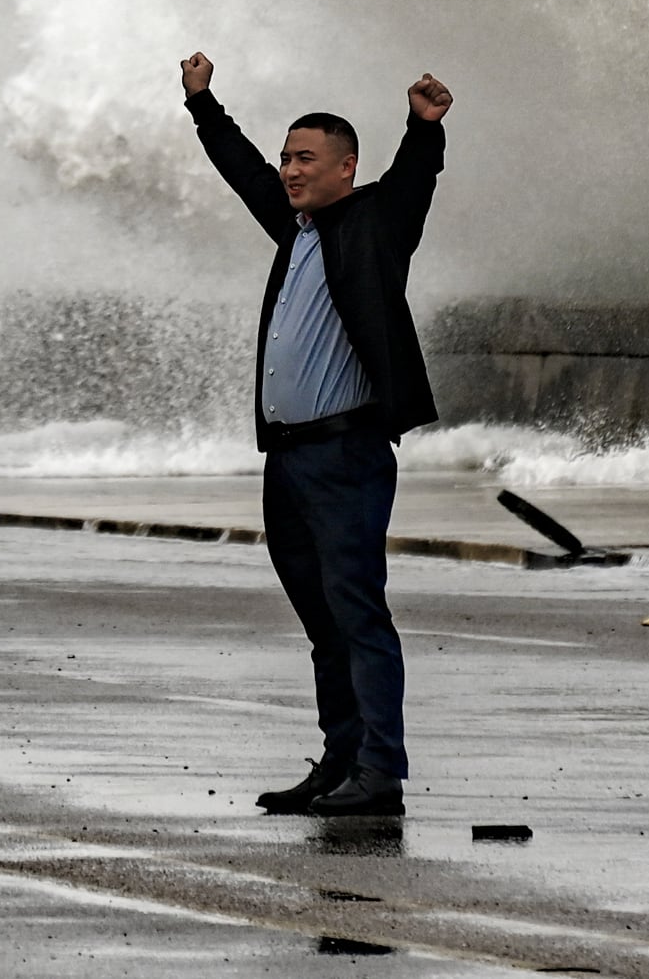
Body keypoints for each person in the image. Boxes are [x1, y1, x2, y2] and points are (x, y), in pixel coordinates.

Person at [180, 51, 452, 820]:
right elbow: (242, 171)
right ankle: (339, 762)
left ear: (346, 168)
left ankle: (380, 773)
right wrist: (204, 103)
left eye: (306, 159)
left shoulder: (375, 223)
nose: (290, 171)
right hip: (289, 458)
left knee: (357, 612)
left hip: (346, 454)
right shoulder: (293, 228)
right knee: (322, 621)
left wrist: (422, 129)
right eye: (286, 159)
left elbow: (412, 183)